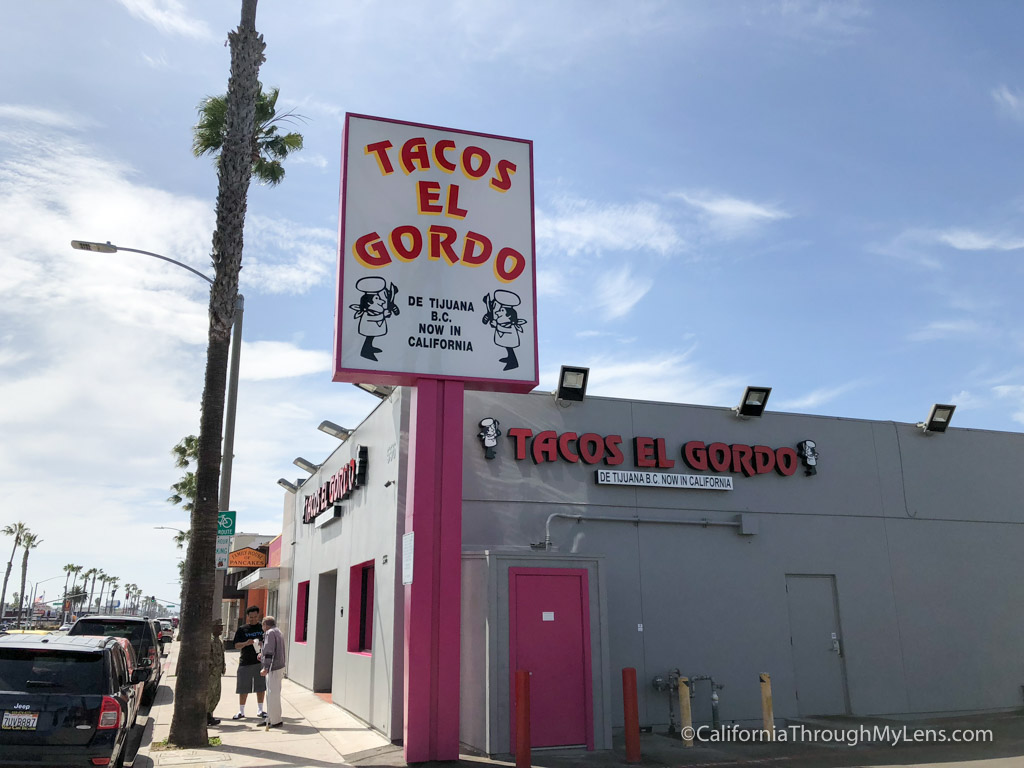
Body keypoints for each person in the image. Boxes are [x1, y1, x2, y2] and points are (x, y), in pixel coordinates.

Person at [230, 605, 266, 719]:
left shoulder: (262, 628)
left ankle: (260, 710)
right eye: (251, 617)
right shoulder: (242, 629)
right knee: (243, 687)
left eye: (255, 617)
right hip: (245, 661)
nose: (253, 619)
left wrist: (262, 644)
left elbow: (268, 643)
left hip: (259, 662)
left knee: (261, 686)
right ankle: (241, 711)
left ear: (258, 616)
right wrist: (246, 643)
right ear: (247, 617)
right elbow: (236, 645)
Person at [259, 615, 287, 730]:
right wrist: (262, 655)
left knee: (272, 694)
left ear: (265, 624)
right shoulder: (278, 631)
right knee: (272, 693)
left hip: (273, 667)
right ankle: (271, 718)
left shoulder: (270, 633)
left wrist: (266, 666)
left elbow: (269, 651)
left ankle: (275, 720)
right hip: (279, 666)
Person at [207, 619, 226, 726]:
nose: (221, 629)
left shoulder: (219, 641)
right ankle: (206, 716)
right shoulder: (209, 641)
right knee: (209, 695)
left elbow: (222, 655)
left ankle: (209, 714)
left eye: (221, 627)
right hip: (210, 674)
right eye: (219, 627)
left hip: (217, 673)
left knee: (216, 695)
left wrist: (223, 667)